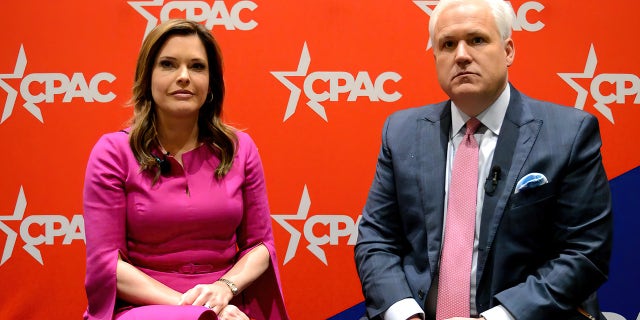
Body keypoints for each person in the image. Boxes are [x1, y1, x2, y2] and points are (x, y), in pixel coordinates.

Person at [354, 0, 613, 319]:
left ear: (508, 51)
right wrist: (405, 313)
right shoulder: (401, 131)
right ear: (435, 56)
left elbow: (585, 254)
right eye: (447, 44)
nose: (461, 55)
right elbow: (376, 240)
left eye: (476, 39)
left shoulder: (569, 133)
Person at [82, 19, 289, 320]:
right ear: (147, 77)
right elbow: (107, 266)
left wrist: (224, 288)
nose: (183, 77)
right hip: (144, 306)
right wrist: (196, 309)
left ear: (212, 83)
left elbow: (260, 246)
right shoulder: (112, 153)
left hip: (225, 301)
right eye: (168, 65)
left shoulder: (240, 148)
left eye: (196, 66)